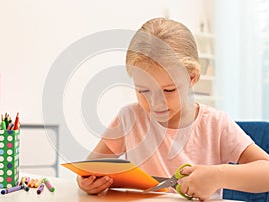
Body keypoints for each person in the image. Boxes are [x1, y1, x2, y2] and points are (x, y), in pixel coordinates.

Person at [76, 18, 269, 200]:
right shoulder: (129, 118)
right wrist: (88, 181)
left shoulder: (215, 124)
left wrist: (218, 176)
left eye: (168, 90)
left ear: (191, 78)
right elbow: (91, 169)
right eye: (143, 91)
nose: (156, 103)